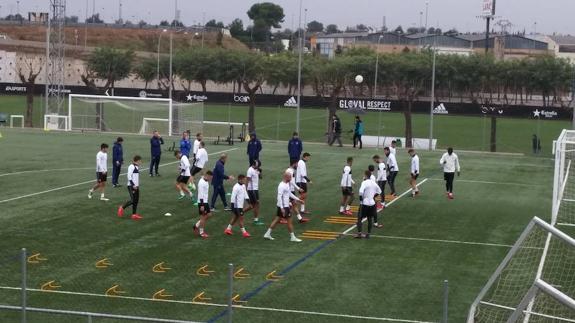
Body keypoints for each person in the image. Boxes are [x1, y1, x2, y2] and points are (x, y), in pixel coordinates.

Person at [263, 172, 303, 243]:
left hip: (283, 206)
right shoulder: (281, 186)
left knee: (277, 220)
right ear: (286, 177)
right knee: (289, 221)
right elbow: (279, 197)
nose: (291, 179)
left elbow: (289, 193)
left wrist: (298, 199)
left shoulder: (286, 184)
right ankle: (292, 237)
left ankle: (267, 234)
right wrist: (282, 208)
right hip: (284, 206)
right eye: (290, 177)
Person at [356, 170, 382, 239]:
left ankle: (359, 233)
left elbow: (360, 191)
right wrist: (374, 196)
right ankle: (368, 234)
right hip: (372, 203)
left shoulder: (364, 182)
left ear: (365, 175)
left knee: (359, 218)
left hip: (364, 203)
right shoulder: (373, 183)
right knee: (370, 218)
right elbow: (379, 191)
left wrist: (361, 199)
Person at [117, 155, 143, 220]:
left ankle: (134, 215)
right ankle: (122, 207)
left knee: (136, 201)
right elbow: (129, 176)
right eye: (140, 161)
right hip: (131, 186)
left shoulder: (136, 167)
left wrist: (136, 185)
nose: (141, 162)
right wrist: (133, 185)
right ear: (137, 161)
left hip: (136, 186)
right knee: (133, 200)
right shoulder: (131, 166)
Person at [193, 171, 213, 239]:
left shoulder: (205, 180)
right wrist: (202, 205)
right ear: (207, 175)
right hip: (202, 202)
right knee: (203, 218)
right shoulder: (201, 183)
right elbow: (201, 194)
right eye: (210, 177)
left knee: (209, 215)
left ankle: (196, 225)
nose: (211, 179)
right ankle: (202, 233)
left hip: (205, 202)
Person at [246, 160, 263, 225]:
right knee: (256, 204)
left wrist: (260, 172)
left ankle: (240, 213)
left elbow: (260, 177)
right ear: (254, 164)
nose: (258, 166)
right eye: (258, 165)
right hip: (252, 190)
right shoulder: (250, 170)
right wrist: (246, 189)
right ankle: (256, 220)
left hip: (255, 189)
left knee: (252, 206)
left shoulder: (256, 170)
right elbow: (247, 180)